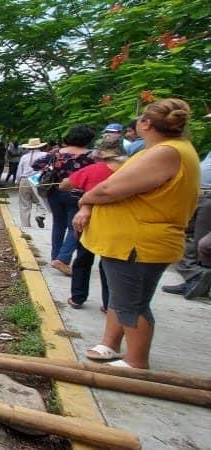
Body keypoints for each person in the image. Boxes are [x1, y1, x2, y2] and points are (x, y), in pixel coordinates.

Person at [77, 98, 199, 369]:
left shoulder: (166, 152)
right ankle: (110, 343)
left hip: (139, 241)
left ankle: (136, 361)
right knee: (121, 297)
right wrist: (88, 204)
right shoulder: (162, 149)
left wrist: (86, 197)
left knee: (132, 303)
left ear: (146, 123)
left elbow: (111, 189)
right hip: (127, 239)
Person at [60, 136, 126, 311]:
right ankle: (109, 304)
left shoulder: (94, 169)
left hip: (90, 221)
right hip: (121, 224)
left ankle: (77, 298)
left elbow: (65, 185)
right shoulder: (130, 170)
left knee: (83, 259)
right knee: (109, 265)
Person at [33, 125, 96, 276]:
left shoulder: (56, 152)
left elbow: (35, 165)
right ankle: (63, 258)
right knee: (76, 226)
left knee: (58, 224)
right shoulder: (90, 156)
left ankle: (55, 256)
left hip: (54, 191)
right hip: (77, 193)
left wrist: (52, 170)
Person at [164, 150, 211, 298]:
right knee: (183, 237)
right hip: (197, 196)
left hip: (208, 200)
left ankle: (197, 280)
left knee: (201, 243)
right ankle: (192, 279)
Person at [15, 138, 48, 228]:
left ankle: (26, 225)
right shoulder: (45, 155)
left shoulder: (24, 157)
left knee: (24, 203)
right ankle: (40, 215)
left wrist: (17, 182)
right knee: (41, 200)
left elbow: (19, 172)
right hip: (38, 179)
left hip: (24, 180)